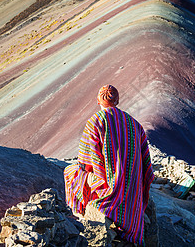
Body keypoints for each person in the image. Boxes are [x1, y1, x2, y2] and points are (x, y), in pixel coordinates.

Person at [64, 85, 154, 246]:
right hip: (132, 189)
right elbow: (146, 162)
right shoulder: (135, 124)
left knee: (70, 172)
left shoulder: (95, 121)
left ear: (98, 100)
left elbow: (86, 162)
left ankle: (80, 216)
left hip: (106, 185)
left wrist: (103, 177)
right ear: (118, 101)